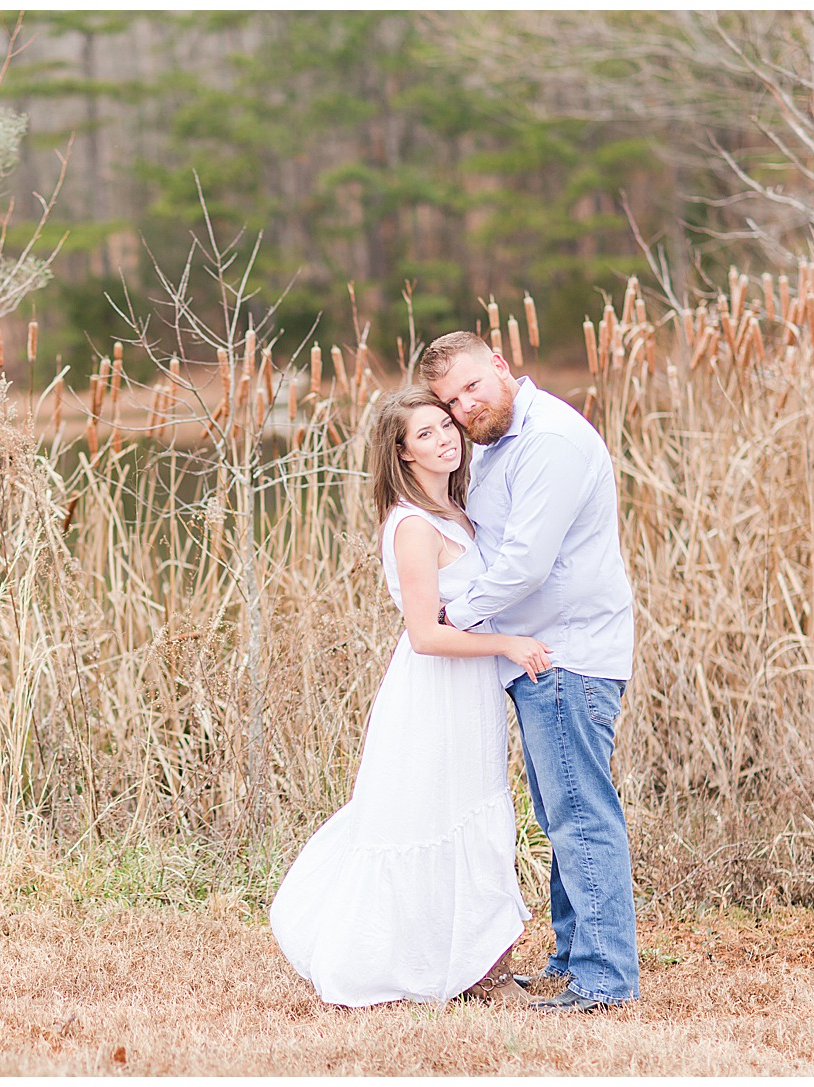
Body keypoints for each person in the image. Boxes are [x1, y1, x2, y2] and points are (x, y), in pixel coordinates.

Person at [269, 386, 553, 1008]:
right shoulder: (412, 526)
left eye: (445, 426)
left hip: (466, 692)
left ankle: (479, 964)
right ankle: (461, 969)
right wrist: (507, 643)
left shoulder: (455, 510)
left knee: (473, 813)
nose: (445, 437)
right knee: (434, 816)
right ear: (401, 452)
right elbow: (425, 636)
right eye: (424, 434)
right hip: (434, 692)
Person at [420, 330, 638, 1014]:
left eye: (472, 386)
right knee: (560, 810)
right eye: (450, 401)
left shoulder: (549, 442)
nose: (464, 407)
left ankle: (604, 980)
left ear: (501, 365)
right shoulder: (500, 444)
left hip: (568, 654)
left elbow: (525, 563)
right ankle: (575, 957)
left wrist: (451, 615)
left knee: (580, 813)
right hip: (540, 653)